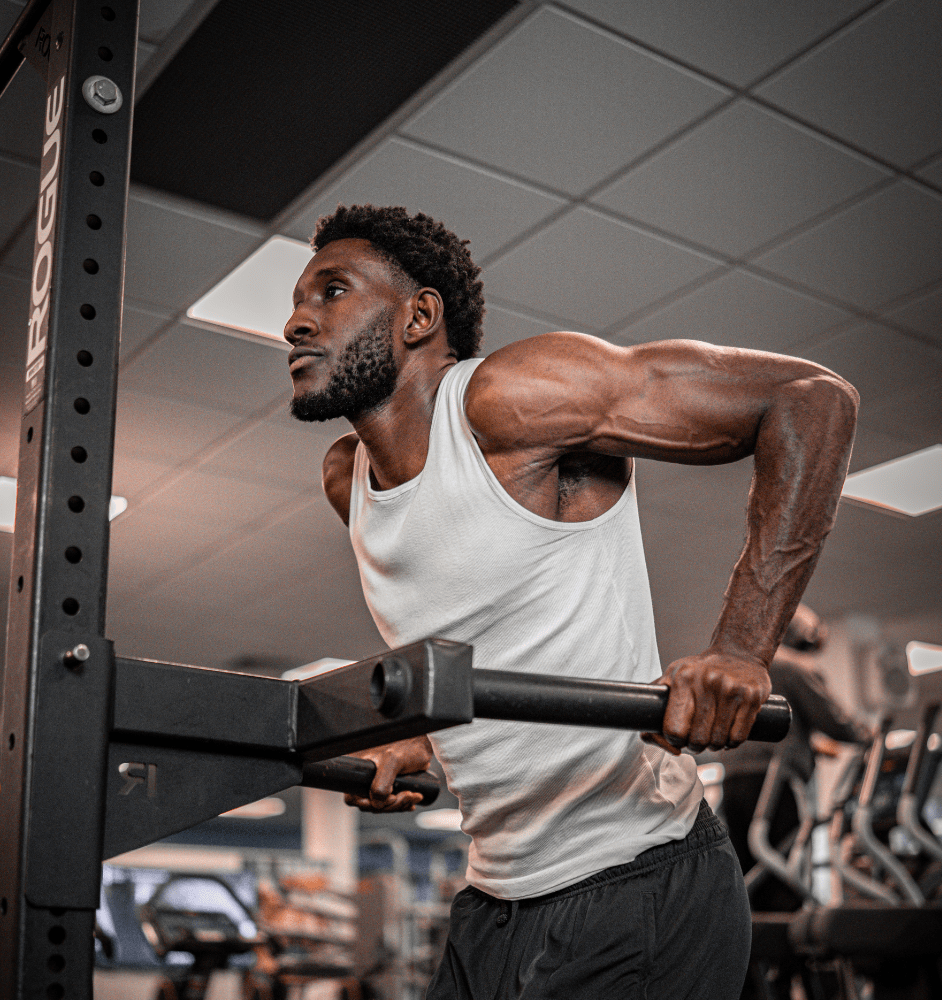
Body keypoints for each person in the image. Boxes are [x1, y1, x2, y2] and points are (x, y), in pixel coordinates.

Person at [283, 205, 858, 1000]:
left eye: (331, 292)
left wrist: (741, 647)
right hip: (494, 898)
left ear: (419, 315)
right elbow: (494, 640)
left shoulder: (510, 398)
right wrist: (420, 742)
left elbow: (809, 398)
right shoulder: (349, 479)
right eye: (295, 302)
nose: (295, 324)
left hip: (637, 880)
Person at [713, 604, 868, 907]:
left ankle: (757, 942)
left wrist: (810, 744)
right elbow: (835, 722)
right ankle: (789, 943)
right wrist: (870, 735)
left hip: (733, 780)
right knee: (783, 866)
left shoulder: (739, 668)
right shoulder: (794, 667)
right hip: (773, 782)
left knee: (748, 869)